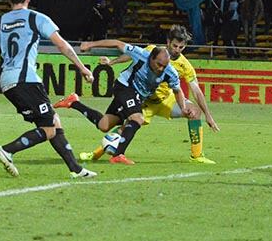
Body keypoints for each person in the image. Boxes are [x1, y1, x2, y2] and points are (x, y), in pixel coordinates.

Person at [0, 0, 96, 179]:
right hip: (26, 80)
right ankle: (7, 150)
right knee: (49, 128)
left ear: (9, 1)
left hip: (6, 81)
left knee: (54, 121)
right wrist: (82, 67)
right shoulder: (36, 18)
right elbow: (62, 45)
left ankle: (76, 169)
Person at [78, 25, 219, 164]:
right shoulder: (152, 51)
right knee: (125, 127)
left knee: (194, 112)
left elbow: (195, 91)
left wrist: (208, 115)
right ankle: (95, 154)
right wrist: (112, 62)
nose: (177, 50)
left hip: (166, 101)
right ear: (168, 42)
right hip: (144, 100)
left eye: (181, 47)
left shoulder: (184, 66)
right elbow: (131, 55)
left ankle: (197, 155)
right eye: (175, 46)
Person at [54, 39, 190, 165]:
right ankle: (118, 155)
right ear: (151, 58)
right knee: (137, 119)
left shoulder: (169, 72)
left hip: (138, 96)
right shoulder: (141, 54)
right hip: (124, 87)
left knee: (104, 125)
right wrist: (90, 45)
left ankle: (73, 102)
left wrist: (183, 108)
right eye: (158, 64)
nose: (161, 69)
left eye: (164, 66)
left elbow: (177, 90)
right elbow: (117, 43)